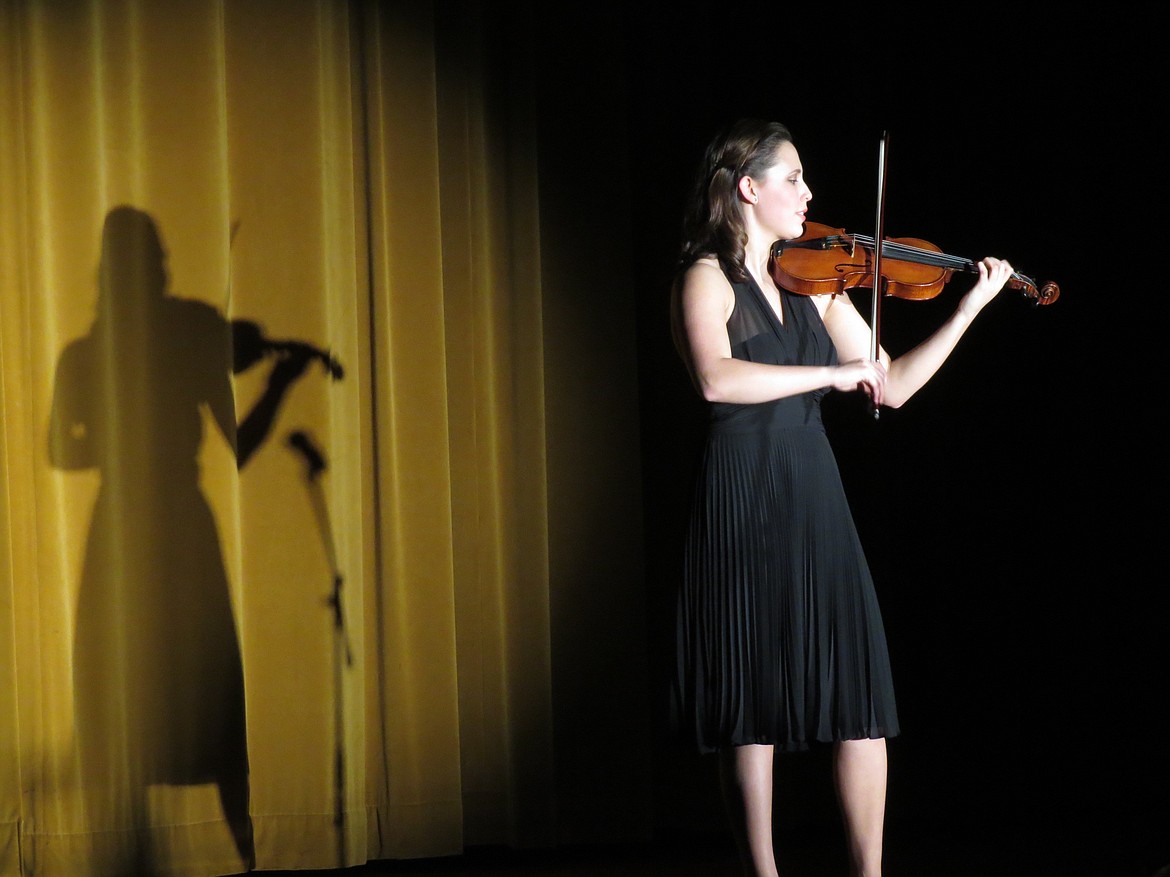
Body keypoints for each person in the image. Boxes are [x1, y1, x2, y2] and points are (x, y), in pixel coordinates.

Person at [669, 119, 1014, 877]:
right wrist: (826, 377)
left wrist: (965, 311)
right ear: (749, 188)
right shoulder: (705, 275)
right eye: (792, 178)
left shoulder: (817, 282)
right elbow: (716, 379)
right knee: (749, 704)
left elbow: (887, 384)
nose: (809, 193)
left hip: (812, 490)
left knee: (856, 691)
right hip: (742, 492)